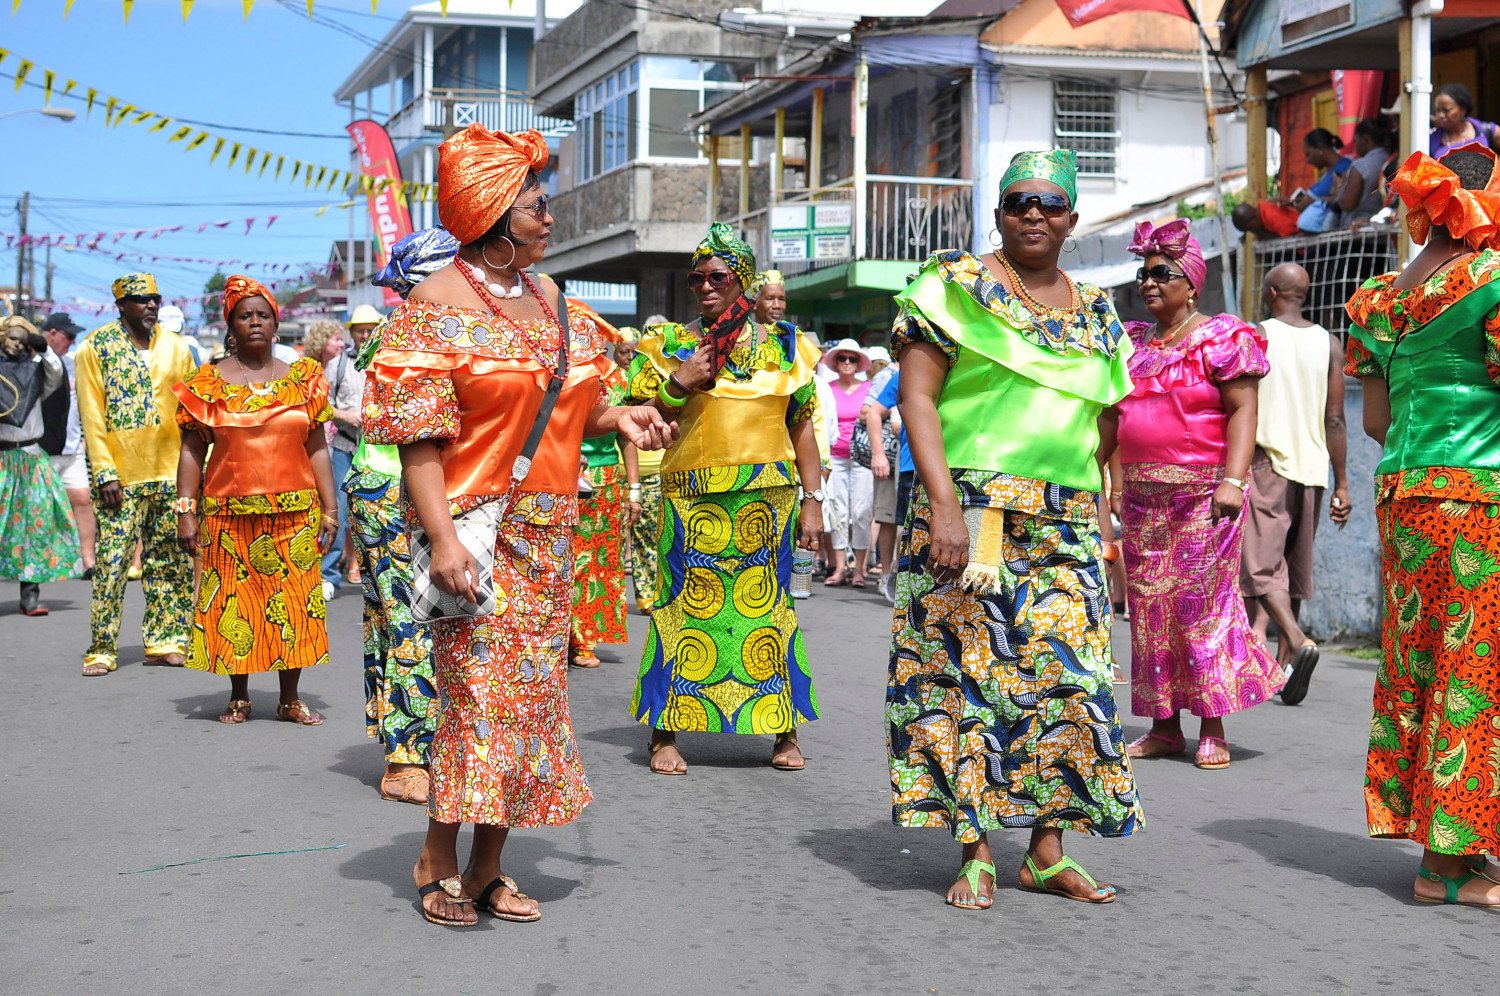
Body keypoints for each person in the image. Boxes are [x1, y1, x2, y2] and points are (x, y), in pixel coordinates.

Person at [363, 124, 674, 927]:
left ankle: (490, 865)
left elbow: (573, 407)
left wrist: (622, 416)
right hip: (475, 533)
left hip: (548, 535)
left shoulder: (555, 303)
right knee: (476, 700)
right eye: (538, 203)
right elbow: (420, 444)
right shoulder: (434, 309)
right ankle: (438, 855)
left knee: (531, 702)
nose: (550, 214)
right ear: (496, 212)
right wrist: (440, 542)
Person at [888, 149, 1140, 911]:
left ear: (1072, 218)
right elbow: (918, 400)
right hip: (969, 508)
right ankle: (974, 852)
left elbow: (1105, 422)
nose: (1034, 213)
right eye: (1018, 201)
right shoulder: (954, 288)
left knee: (1070, 682)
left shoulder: (1097, 309)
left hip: (1063, 515)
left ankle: (1046, 851)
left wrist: (1100, 508)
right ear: (998, 212)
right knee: (964, 681)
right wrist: (940, 503)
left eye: (1050, 202)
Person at [1345, 146, 1500, 908]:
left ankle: (1442, 853)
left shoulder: (1377, 300)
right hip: (1480, 501)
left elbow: (1376, 420)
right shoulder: (1491, 281)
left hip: (1405, 496)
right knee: (1473, 672)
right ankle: (1448, 864)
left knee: (1418, 663)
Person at [625, 221, 824, 776]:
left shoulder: (788, 346)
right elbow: (636, 420)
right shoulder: (667, 345)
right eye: (696, 278)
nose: (705, 286)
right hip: (691, 501)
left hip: (769, 501)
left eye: (718, 276)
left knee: (772, 613)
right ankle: (664, 734)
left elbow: (802, 425)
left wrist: (814, 499)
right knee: (678, 612)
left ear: (744, 281)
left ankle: (783, 731)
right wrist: (678, 382)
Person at [1115, 220, 1284, 770]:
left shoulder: (1222, 337)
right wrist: (1116, 484)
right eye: (1143, 273)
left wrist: (1233, 481)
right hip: (1143, 498)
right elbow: (1113, 417)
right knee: (1149, 610)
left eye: (1162, 273)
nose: (1149, 282)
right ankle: (1165, 727)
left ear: (1190, 283)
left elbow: (1243, 412)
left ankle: (1212, 723)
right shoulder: (1133, 342)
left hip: (1204, 496)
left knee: (1201, 609)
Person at [173, 276, 338, 725]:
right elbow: (192, 453)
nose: (255, 322)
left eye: (263, 314)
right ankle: (239, 696)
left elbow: (316, 446)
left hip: (295, 515)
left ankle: (289, 699)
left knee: (295, 605)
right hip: (229, 515)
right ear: (231, 325)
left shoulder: (304, 379)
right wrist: (186, 512)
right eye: (245, 315)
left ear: (276, 322)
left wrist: (331, 508)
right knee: (233, 604)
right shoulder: (206, 384)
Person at [352, 228, 457, 804]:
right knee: (411, 619)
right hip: (392, 491)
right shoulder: (405, 334)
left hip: (441, 491)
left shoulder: (455, 326)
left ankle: (431, 740)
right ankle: (405, 754)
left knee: (438, 620)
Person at [1240, 263, 1352, 706]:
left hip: (1267, 463)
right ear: (1304, 294)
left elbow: (1240, 404)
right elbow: (1336, 417)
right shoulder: (1329, 343)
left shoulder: (1257, 333)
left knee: (1259, 567)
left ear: (1270, 292)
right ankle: (1286, 668)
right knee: (1292, 568)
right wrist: (1342, 482)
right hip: (1313, 467)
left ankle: (1295, 637)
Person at [74, 273, 197, 677]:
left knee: (171, 561)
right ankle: (102, 647)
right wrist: (104, 471)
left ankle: (165, 640)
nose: (151, 306)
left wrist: (197, 471)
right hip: (120, 476)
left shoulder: (178, 347)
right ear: (121, 304)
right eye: (141, 300)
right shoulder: (95, 347)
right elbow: (91, 415)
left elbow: (193, 410)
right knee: (112, 563)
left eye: (155, 299)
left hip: (171, 469)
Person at [0, 315, 82, 616]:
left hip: (31, 460)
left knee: (31, 529)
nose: (16, 344)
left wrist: (44, 348)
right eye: (11, 337)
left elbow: (56, 371)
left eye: (23, 339)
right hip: (1, 458)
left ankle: (30, 596)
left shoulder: (36, 374)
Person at [570, 309, 631, 669]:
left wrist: (634, 488)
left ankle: (585, 635)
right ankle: (572, 637)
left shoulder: (618, 380)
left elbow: (627, 436)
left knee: (599, 563)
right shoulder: (560, 374)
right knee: (570, 559)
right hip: (566, 473)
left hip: (607, 480)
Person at [39, 312, 95, 577]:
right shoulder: (32, 362)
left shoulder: (72, 363)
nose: (72, 342)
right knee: (41, 507)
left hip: (72, 448)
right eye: (68, 336)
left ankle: (88, 561)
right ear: (51, 334)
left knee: (83, 499)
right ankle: (41, 562)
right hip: (39, 449)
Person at [301, 319, 354, 599]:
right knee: (327, 507)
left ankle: (334, 570)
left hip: (339, 445)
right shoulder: (307, 372)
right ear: (321, 342)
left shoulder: (347, 366)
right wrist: (345, 415)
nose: (341, 343)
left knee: (337, 509)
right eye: (335, 339)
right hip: (316, 448)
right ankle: (323, 572)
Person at [822, 338, 874, 587]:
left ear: (858, 363)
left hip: (863, 457)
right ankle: (841, 567)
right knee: (837, 512)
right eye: (842, 358)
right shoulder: (828, 388)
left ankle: (860, 570)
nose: (847, 362)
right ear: (835, 362)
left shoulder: (869, 388)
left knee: (862, 512)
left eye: (852, 359)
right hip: (836, 457)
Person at [627, 315, 669, 615]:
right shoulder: (630, 380)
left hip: (670, 471)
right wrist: (634, 487)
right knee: (642, 537)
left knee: (668, 536)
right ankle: (646, 595)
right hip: (638, 472)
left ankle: (666, 590)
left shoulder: (678, 378)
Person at [861, 366, 904, 604]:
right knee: (889, 519)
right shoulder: (897, 374)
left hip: (935, 459)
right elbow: (871, 412)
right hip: (899, 457)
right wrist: (878, 454)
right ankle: (888, 575)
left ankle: (904, 575)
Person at [1336, 118, 1395, 229]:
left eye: (1355, 141)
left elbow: (1348, 204)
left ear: (1365, 139)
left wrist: (1340, 185)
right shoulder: (1391, 161)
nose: (1355, 145)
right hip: (1385, 231)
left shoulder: (1361, 165)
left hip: (1359, 232)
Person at [1429, 82, 1499, 159]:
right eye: (1438, 110)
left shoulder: (1487, 131)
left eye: (1446, 110)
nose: (1441, 115)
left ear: (1463, 110)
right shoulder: (1431, 139)